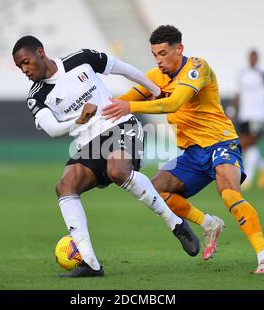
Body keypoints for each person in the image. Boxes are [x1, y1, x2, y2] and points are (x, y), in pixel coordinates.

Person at [12, 36, 200, 278]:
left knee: (117, 169)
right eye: (19, 67)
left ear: (40, 52)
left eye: (26, 62)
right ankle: (90, 263)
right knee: (65, 185)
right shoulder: (36, 96)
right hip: (89, 144)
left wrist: (154, 90)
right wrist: (78, 120)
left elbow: (122, 68)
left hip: (120, 125)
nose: (24, 70)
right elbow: (52, 129)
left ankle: (175, 223)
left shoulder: (81, 59)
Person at [102, 25, 264, 273]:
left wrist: (130, 107)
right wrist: (92, 107)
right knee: (155, 189)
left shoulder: (197, 68)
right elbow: (122, 100)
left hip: (221, 142)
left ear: (179, 49)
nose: (159, 60)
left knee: (228, 193)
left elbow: (173, 103)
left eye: (163, 53)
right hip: (193, 153)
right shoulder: (155, 77)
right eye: (155, 54)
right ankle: (208, 223)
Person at [228, 49, 264, 190]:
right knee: (248, 145)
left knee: (246, 143)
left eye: (254, 57)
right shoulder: (242, 74)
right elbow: (238, 94)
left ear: (257, 59)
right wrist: (231, 111)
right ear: (248, 58)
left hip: (259, 115)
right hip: (244, 115)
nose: (252, 60)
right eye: (250, 57)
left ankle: (247, 178)